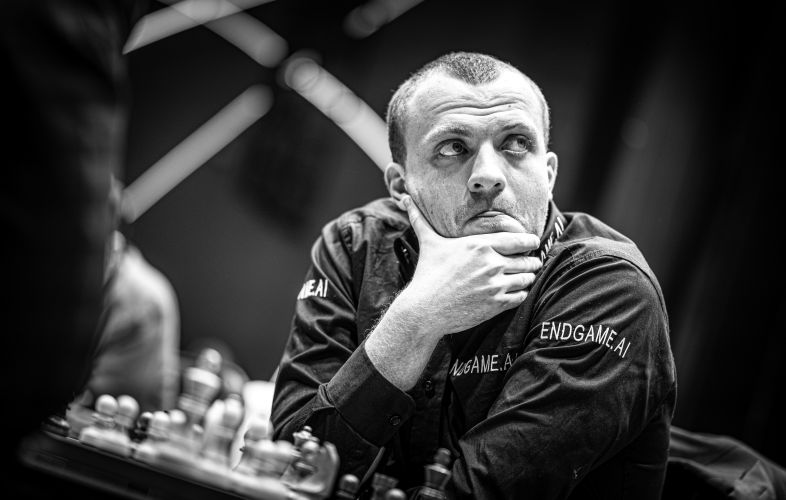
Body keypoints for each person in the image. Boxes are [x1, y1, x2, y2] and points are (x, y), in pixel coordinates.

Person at [271, 52, 677, 499]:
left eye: (516, 143)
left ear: (548, 174)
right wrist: (415, 318)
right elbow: (288, 466)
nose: (487, 176)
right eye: (453, 148)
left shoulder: (609, 288)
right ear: (402, 187)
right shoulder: (355, 245)